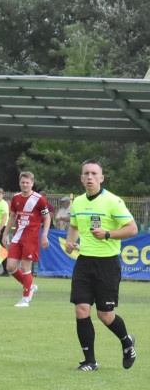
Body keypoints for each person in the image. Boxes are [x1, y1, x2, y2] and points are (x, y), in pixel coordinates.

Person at [64, 159, 137, 371]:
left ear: (101, 178)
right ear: (81, 178)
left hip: (107, 265)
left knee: (105, 315)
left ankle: (127, 342)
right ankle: (90, 362)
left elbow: (132, 229)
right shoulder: (77, 202)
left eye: (94, 173)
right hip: (84, 262)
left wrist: (107, 234)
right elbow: (75, 226)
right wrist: (71, 240)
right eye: (86, 173)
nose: (89, 177)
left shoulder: (113, 201)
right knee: (81, 309)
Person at [0, 171, 51, 307]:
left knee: (25, 267)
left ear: (32, 184)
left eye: (27, 183)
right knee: (10, 266)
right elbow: (12, 217)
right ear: (19, 183)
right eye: (23, 182)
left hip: (31, 237)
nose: (25, 185)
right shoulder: (16, 198)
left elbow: (47, 217)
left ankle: (25, 299)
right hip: (17, 236)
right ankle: (30, 286)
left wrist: (44, 235)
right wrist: (5, 234)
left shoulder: (39, 199)